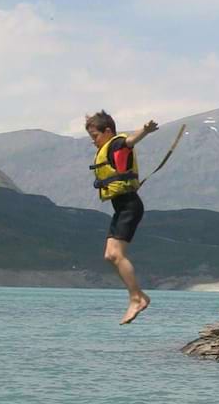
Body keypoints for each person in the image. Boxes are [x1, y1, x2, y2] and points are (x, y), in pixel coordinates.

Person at [85, 110, 158, 325]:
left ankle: (137, 298)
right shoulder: (108, 148)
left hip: (129, 206)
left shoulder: (117, 144)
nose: (94, 142)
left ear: (108, 131)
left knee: (116, 255)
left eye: (96, 137)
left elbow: (129, 141)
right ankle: (137, 295)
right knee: (110, 255)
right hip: (122, 207)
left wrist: (144, 130)